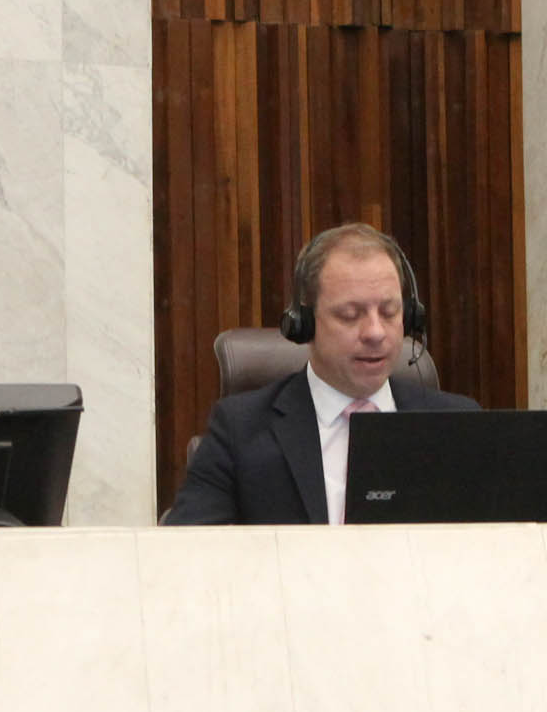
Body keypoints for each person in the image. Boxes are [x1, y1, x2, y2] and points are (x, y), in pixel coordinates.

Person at [164, 222, 477, 525]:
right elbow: (185, 555)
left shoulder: (458, 423)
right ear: (305, 323)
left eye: (389, 312)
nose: (375, 332)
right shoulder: (240, 431)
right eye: (350, 315)